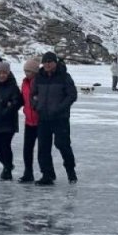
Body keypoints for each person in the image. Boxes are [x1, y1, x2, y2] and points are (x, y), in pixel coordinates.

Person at [32, 51, 78, 185]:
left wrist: (60, 108)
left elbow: (72, 95)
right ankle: (47, 175)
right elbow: (33, 94)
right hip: (43, 118)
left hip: (60, 118)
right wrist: (36, 105)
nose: (47, 64)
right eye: (45, 62)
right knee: (43, 148)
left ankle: (71, 171)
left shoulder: (64, 76)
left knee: (63, 145)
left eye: (50, 62)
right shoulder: (39, 77)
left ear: (55, 63)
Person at [19, 58, 41, 183]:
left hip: (41, 121)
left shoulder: (40, 82)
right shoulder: (24, 83)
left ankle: (48, 173)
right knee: (27, 149)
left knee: (43, 150)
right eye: (25, 71)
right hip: (29, 121)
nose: (27, 73)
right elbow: (22, 98)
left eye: (29, 71)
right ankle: (28, 172)